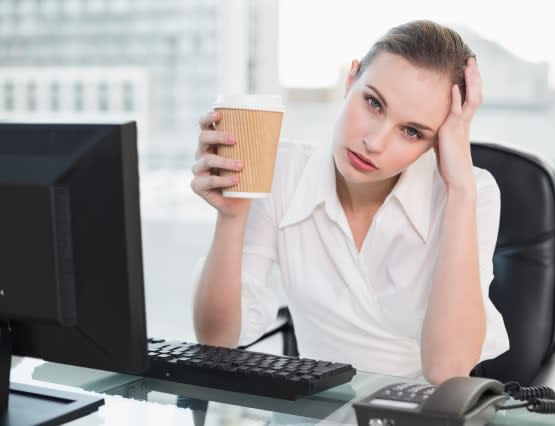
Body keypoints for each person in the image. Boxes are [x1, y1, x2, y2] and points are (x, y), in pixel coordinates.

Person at [190, 20, 509, 384]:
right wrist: (231, 218)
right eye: (373, 103)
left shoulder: (471, 193)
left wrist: (460, 190)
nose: (374, 141)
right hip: (316, 414)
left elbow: (447, 372)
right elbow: (215, 341)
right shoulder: (284, 172)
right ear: (350, 80)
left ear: (435, 142)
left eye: (411, 131)